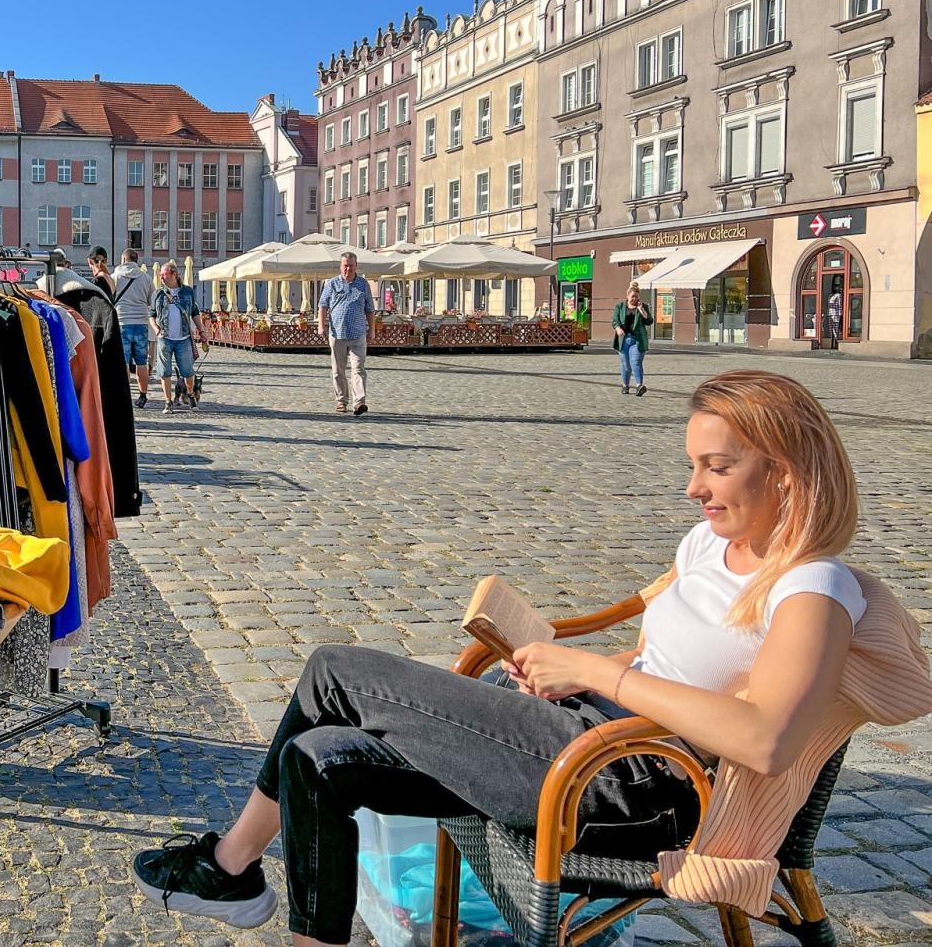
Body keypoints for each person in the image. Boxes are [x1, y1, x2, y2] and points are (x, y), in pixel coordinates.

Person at [134, 370, 930, 947]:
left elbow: (767, 739)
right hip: (585, 735)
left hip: (636, 787)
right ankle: (282, 917)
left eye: (716, 467)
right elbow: (671, 658)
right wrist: (557, 668)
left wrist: (594, 671)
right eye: (694, 464)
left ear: (784, 473)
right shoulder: (710, 544)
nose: (693, 487)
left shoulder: (813, 590)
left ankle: (229, 866)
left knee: (335, 671)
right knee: (320, 757)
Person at [317, 251, 374, 415]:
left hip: (358, 334)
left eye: (351, 265)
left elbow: (370, 309)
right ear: (340, 266)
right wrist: (321, 326)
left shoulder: (363, 284)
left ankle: (359, 403)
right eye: (345, 265)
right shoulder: (332, 283)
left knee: (358, 369)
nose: (348, 269)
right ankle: (341, 401)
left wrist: (372, 330)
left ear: (356, 266)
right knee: (338, 370)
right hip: (337, 333)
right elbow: (323, 306)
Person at [150, 259, 206, 414]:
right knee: (164, 372)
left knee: (188, 371)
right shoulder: (158, 294)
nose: (161, 278)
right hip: (164, 338)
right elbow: (151, 314)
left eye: (164, 274)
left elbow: (194, 312)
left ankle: (190, 394)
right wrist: (156, 330)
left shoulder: (187, 292)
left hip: (183, 338)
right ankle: (168, 402)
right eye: (160, 275)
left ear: (174, 274)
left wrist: (202, 331)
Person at [112, 248, 155, 409]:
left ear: (123, 260)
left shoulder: (115, 277)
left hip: (122, 322)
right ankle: (143, 395)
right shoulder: (146, 278)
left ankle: (124, 395)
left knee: (122, 362)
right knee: (141, 362)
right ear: (136, 261)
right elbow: (153, 300)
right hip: (141, 323)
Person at [613, 281, 655, 396]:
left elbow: (649, 321)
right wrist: (617, 328)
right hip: (623, 340)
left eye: (636, 297)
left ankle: (639, 385)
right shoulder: (620, 307)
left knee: (636, 362)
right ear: (627, 296)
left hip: (637, 340)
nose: (634, 299)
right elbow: (615, 320)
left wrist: (642, 311)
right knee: (626, 365)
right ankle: (625, 385)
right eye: (632, 297)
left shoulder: (643, 306)